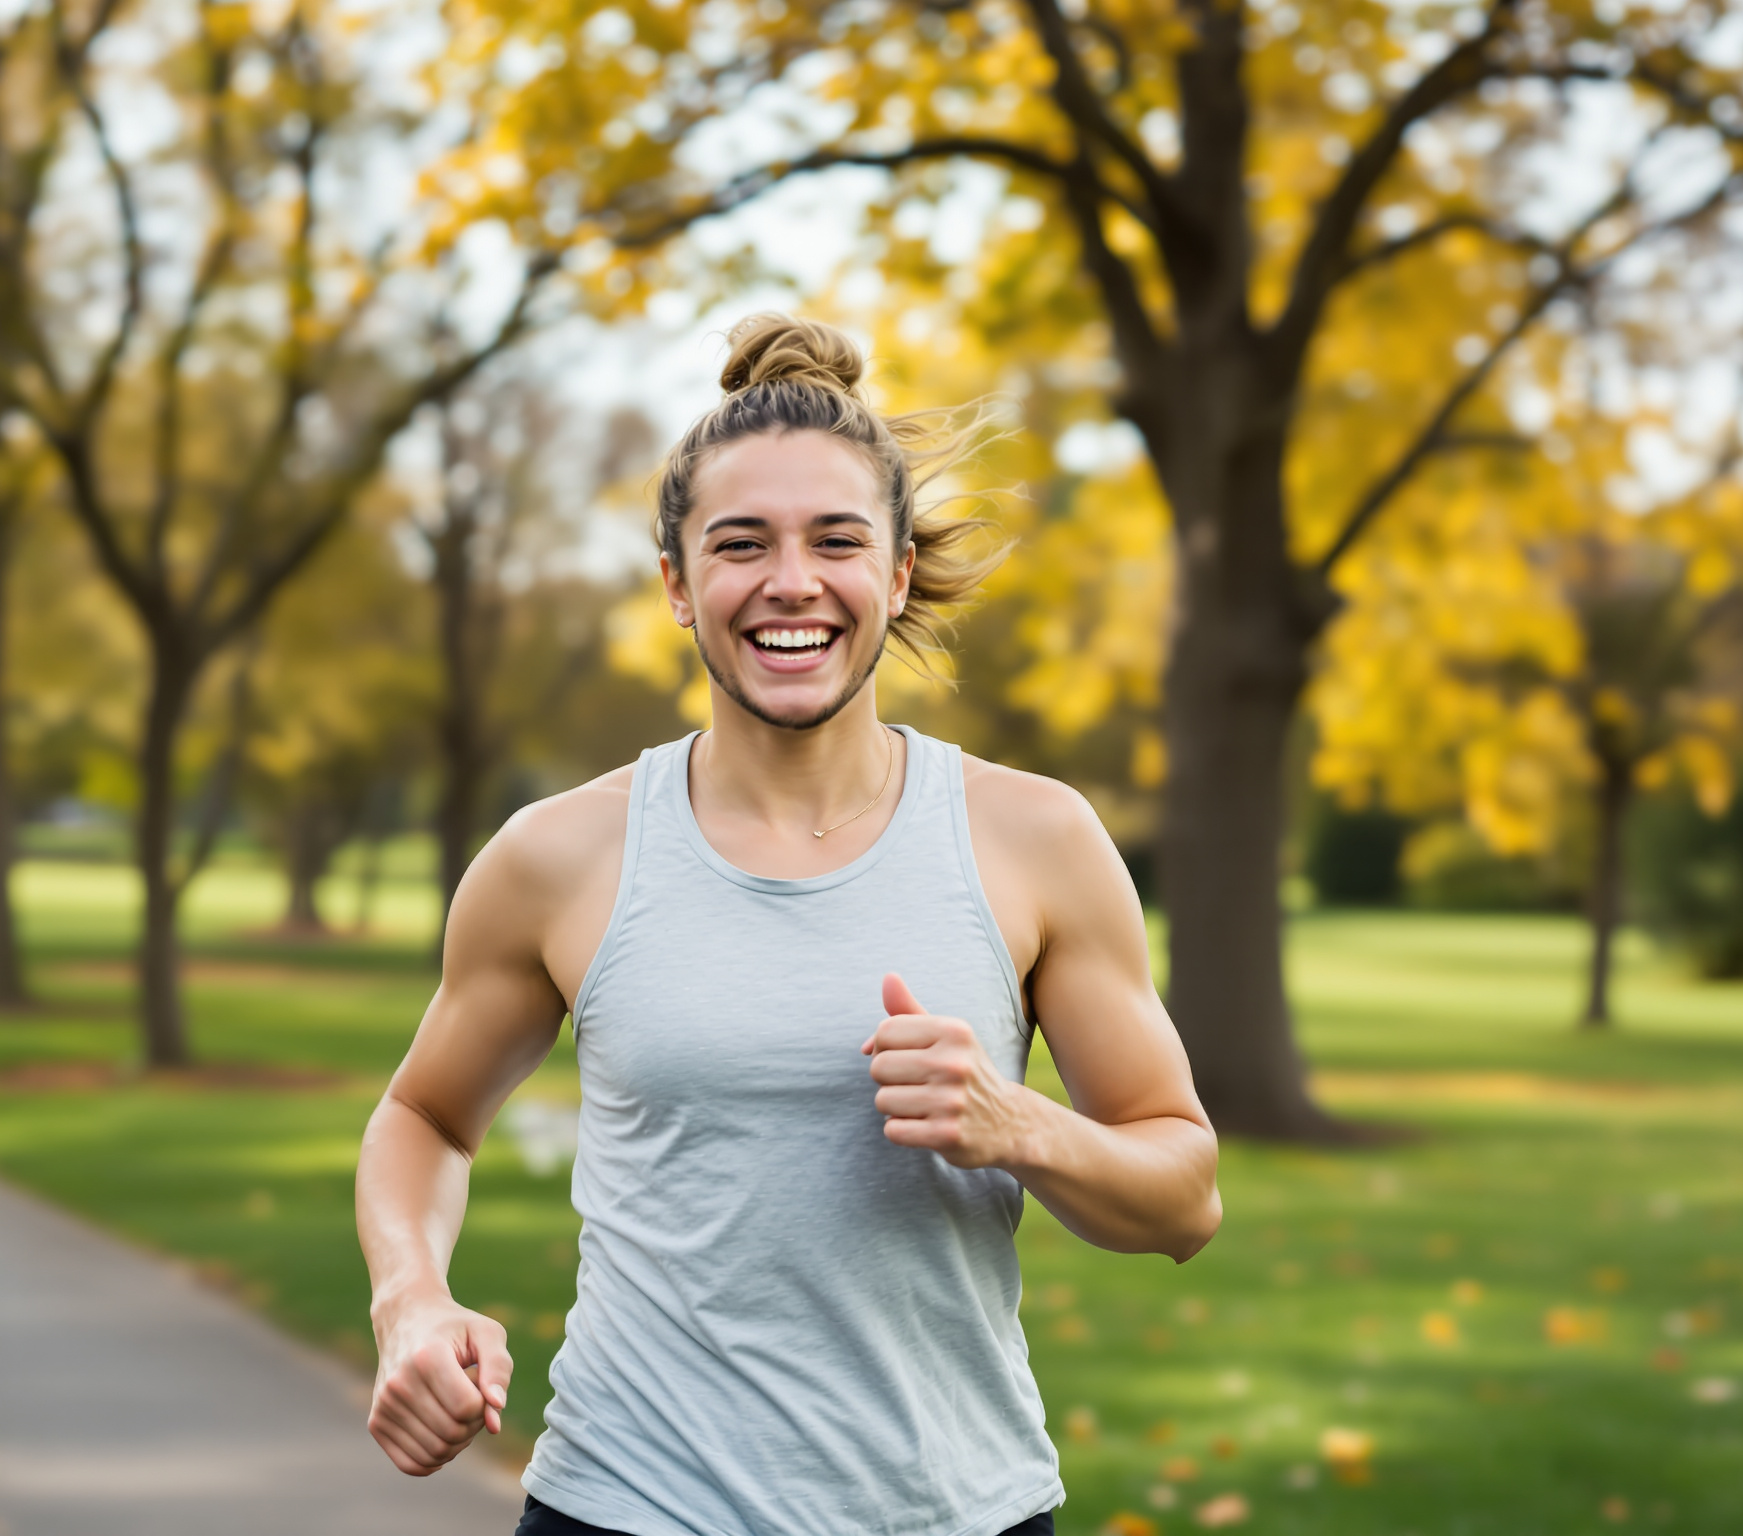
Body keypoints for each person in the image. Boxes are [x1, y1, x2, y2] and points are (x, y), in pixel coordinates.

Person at [357, 315, 1223, 1536]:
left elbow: (1182, 1196)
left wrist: (1016, 1123)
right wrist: (411, 1300)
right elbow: (423, 1119)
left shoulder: (1035, 841)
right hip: (627, 1507)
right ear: (676, 584)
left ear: (898, 573)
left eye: (836, 540)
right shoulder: (559, 857)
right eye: (740, 544)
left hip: (954, 1512)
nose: (791, 582)